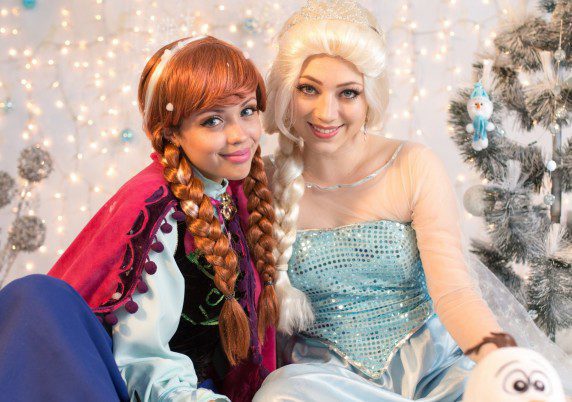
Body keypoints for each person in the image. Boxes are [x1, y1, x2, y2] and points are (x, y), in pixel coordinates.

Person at [253, 1, 571, 401]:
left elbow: (454, 292)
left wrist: (502, 362)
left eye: (348, 92)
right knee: (279, 395)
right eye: (308, 89)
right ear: (286, 90)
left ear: (369, 98)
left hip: (434, 371)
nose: (326, 112)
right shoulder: (261, 181)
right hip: (327, 380)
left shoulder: (412, 165)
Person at [0, 35, 278, 402]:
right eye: (212, 121)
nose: (239, 135)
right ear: (171, 132)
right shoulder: (156, 214)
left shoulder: (233, 194)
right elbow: (144, 361)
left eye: (247, 111)